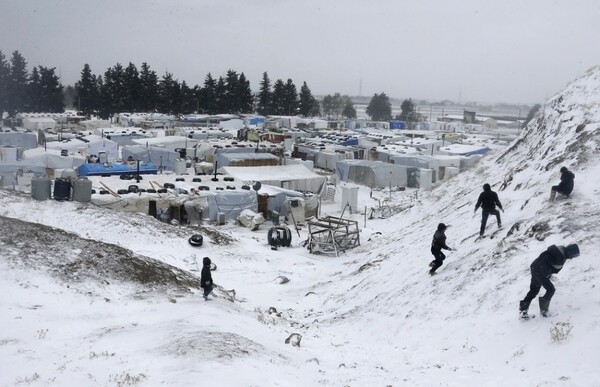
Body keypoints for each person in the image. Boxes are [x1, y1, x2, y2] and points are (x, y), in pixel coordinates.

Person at [519, 243, 580, 319]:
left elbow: (545, 261)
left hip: (535, 267)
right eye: (573, 256)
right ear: (570, 252)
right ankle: (544, 312)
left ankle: (523, 311)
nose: (572, 258)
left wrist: (548, 275)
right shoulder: (560, 257)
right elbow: (550, 267)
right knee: (551, 289)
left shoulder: (558, 250)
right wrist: (548, 275)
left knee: (534, 290)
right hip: (540, 271)